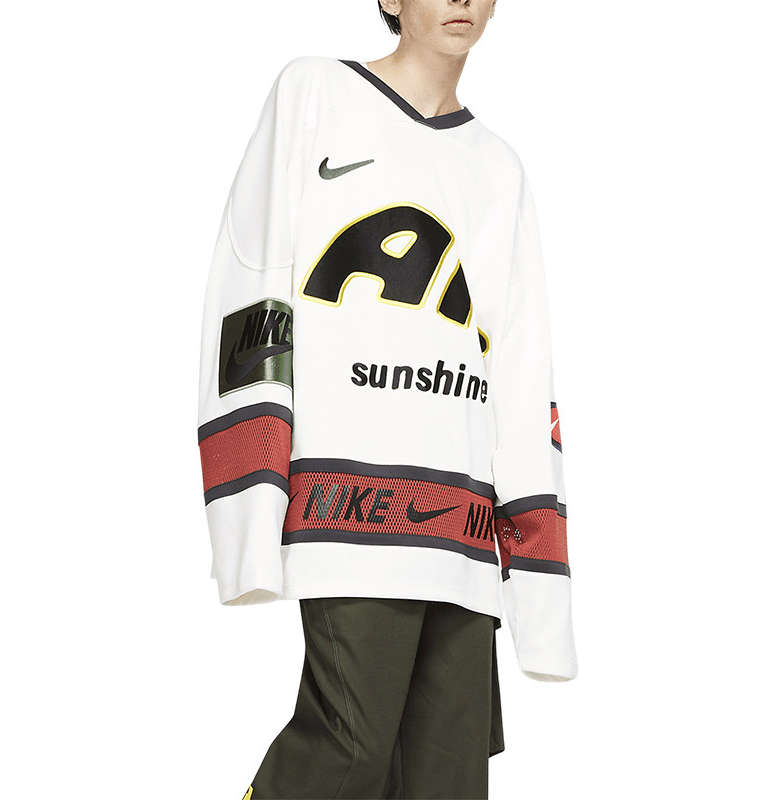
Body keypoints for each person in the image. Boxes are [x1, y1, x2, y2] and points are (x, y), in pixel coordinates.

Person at [197, 1, 578, 797]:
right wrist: (249, 510)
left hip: (463, 537)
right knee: (348, 753)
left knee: (447, 779)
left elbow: (521, 372)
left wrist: (541, 593)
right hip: (346, 510)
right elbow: (255, 291)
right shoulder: (314, 93)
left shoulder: (498, 167)